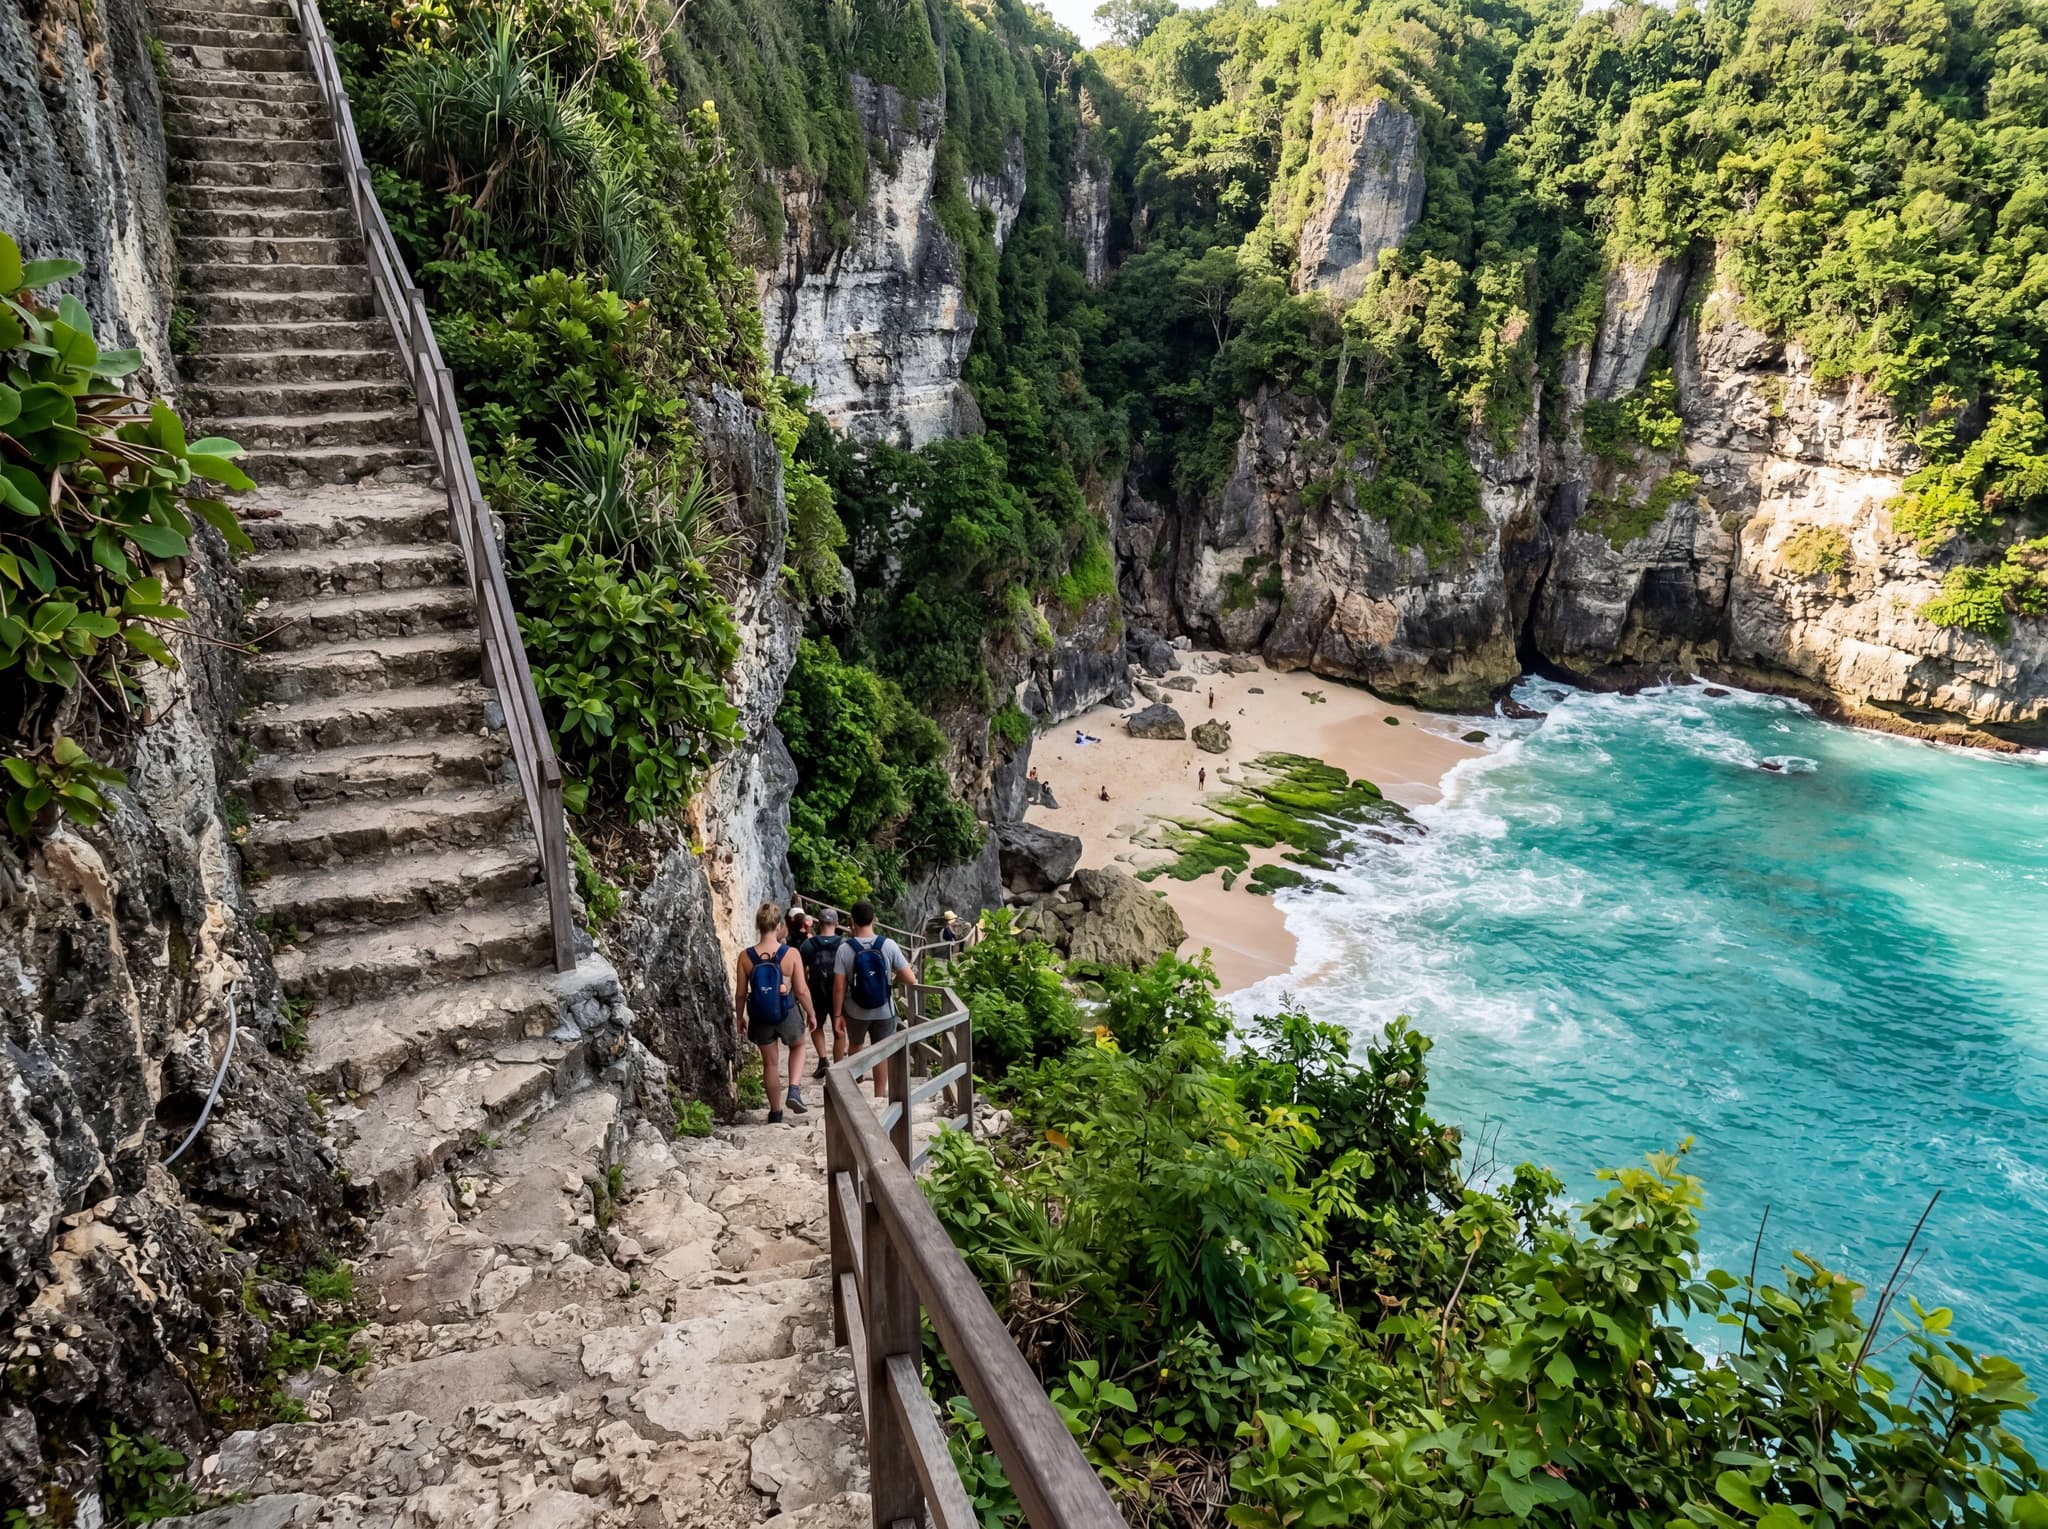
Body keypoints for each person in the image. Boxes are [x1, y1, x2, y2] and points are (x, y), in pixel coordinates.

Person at [734, 902, 814, 1122]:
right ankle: (794, 1089)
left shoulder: (745, 957)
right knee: (798, 1046)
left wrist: (740, 1017)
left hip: (760, 1016)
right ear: (779, 926)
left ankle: (775, 1112)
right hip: (786, 1011)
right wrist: (812, 1014)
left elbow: (741, 993)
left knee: (770, 1063)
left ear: (758, 926)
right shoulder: (791, 954)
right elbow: (801, 990)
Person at [834, 900, 916, 1102]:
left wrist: (837, 1014)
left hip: (855, 1010)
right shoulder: (888, 945)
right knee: (881, 1051)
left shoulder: (845, 949)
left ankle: (854, 1091)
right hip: (884, 1010)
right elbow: (911, 979)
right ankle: (880, 1095)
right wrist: (890, 980)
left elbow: (839, 986)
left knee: (856, 1044)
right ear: (874, 919)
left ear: (851, 920)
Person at [799, 907, 846, 1079]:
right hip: (838, 994)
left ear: (819, 923)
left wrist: (805, 987)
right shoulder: (844, 944)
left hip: (816, 992)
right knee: (839, 1029)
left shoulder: (807, 945)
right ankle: (840, 1067)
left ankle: (823, 1060)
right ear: (837, 923)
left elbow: (802, 971)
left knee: (815, 1026)